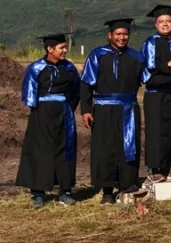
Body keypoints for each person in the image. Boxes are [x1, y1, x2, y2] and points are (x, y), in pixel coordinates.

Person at [81, 18, 148, 204]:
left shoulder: (136, 57)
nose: (122, 37)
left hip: (128, 109)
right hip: (103, 109)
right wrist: (86, 110)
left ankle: (127, 186)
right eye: (118, 34)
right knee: (105, 148)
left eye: (125, 34)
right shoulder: (97, 55)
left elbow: (150, 79)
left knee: (129, 146)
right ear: (110, 35)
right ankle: (108, 191)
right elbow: (86, 84)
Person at [17, 33, 80, 208]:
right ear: (49, 49)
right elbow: (29, 96)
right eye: (62, 47)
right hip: (41, 113)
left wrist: (66, 105)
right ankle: (38, 193)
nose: (65, 50)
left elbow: (76, 91)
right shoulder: (35, 68)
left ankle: (65, 192)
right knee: (40, 150)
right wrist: (43, 108)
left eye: (65, 47)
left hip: (64, 113)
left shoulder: (69, 68)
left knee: (65, 149)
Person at [141, 4, 171, 182]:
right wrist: (170, 65)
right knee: (156, 130)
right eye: (161, 21)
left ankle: (170, 165)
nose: (165, 24)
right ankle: (155, 168)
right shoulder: (151, 42)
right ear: (156, 24)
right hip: (156, 93)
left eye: (168, 21)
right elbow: (148, 69)